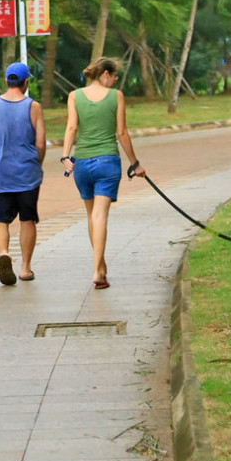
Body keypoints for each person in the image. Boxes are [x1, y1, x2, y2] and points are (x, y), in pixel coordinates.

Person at [61, 56, 146, 289]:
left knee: (92, 216)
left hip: (82, 164)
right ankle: (96, 271)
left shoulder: (74, 96)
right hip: (107, 163)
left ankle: (101, 266)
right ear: (106, 74)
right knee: (100, 216)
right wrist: (135, 163)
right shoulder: (116, 96)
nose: (115, 81)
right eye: (114, 76)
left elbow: (71, 127)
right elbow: (122, 133)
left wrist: (65, 156)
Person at [0, 61, 46, 285]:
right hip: (27, 175)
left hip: (1, 173)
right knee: (27, 219)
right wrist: (37, 163)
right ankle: (25, 268)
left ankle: (4, 253)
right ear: (26, 82)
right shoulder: (33, 106)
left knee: (0, 219)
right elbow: (41, 144)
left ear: (6, 80)